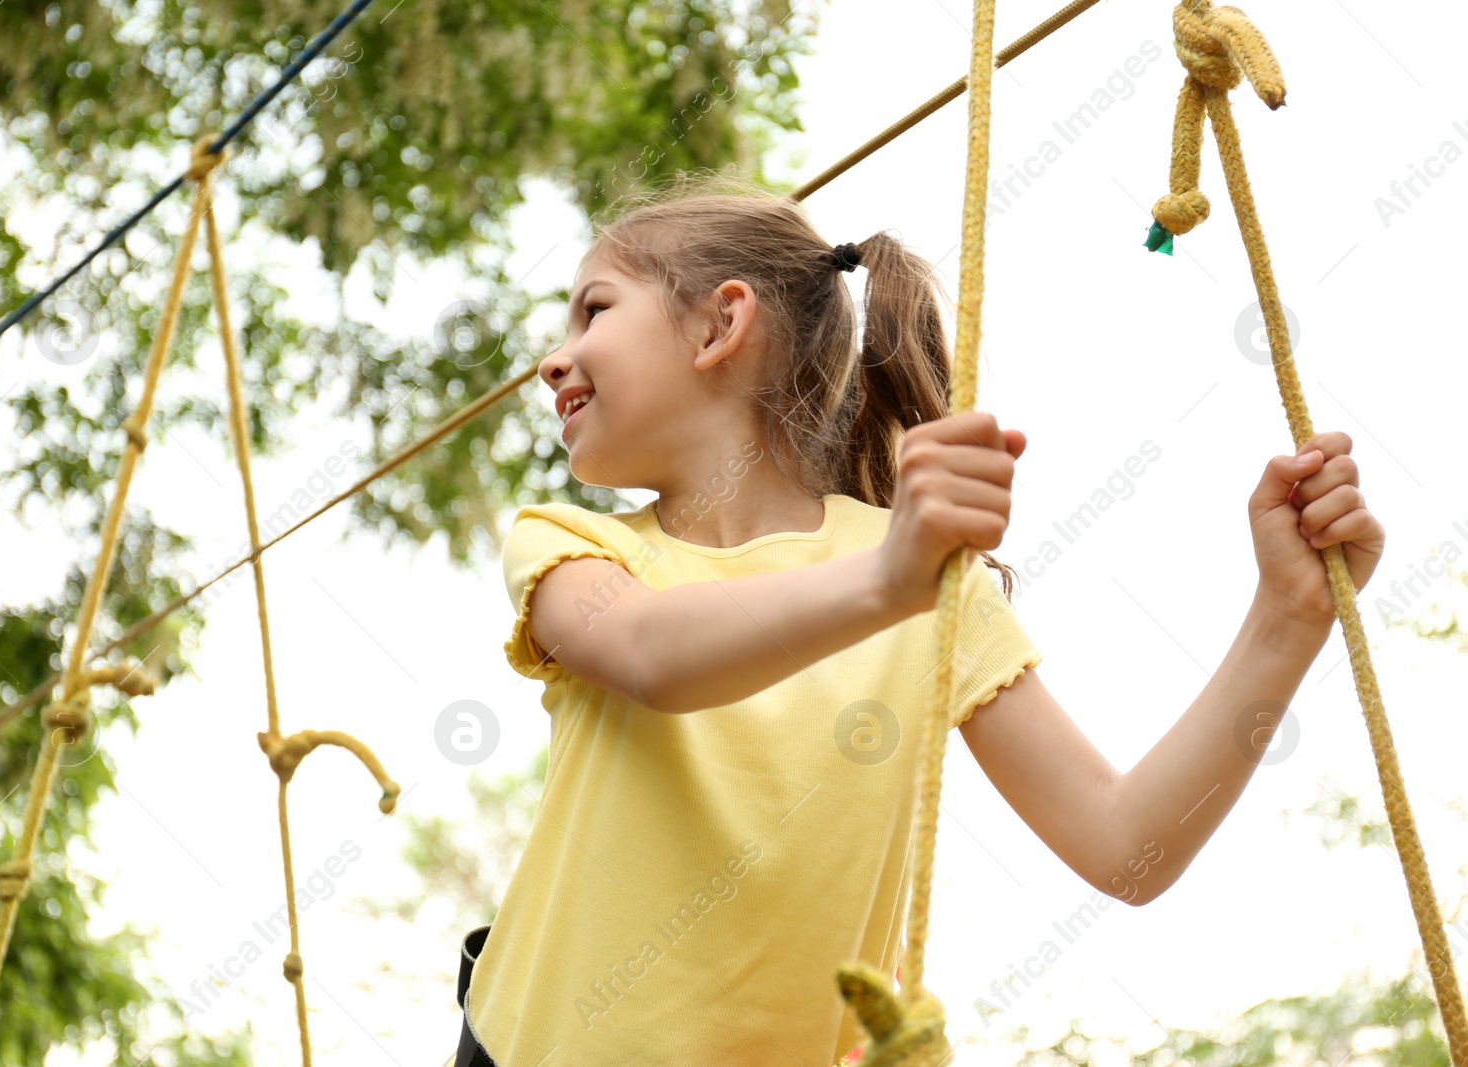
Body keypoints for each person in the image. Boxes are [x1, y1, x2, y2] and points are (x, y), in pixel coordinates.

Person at [447, 172, 1384, 1067]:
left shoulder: (925, 579)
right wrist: (893, 576)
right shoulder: (568, 544)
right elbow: (652, 654)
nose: (552, 357)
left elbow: (1125, 846)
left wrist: (1288, 617)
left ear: (721, 323)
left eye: (594, 308)